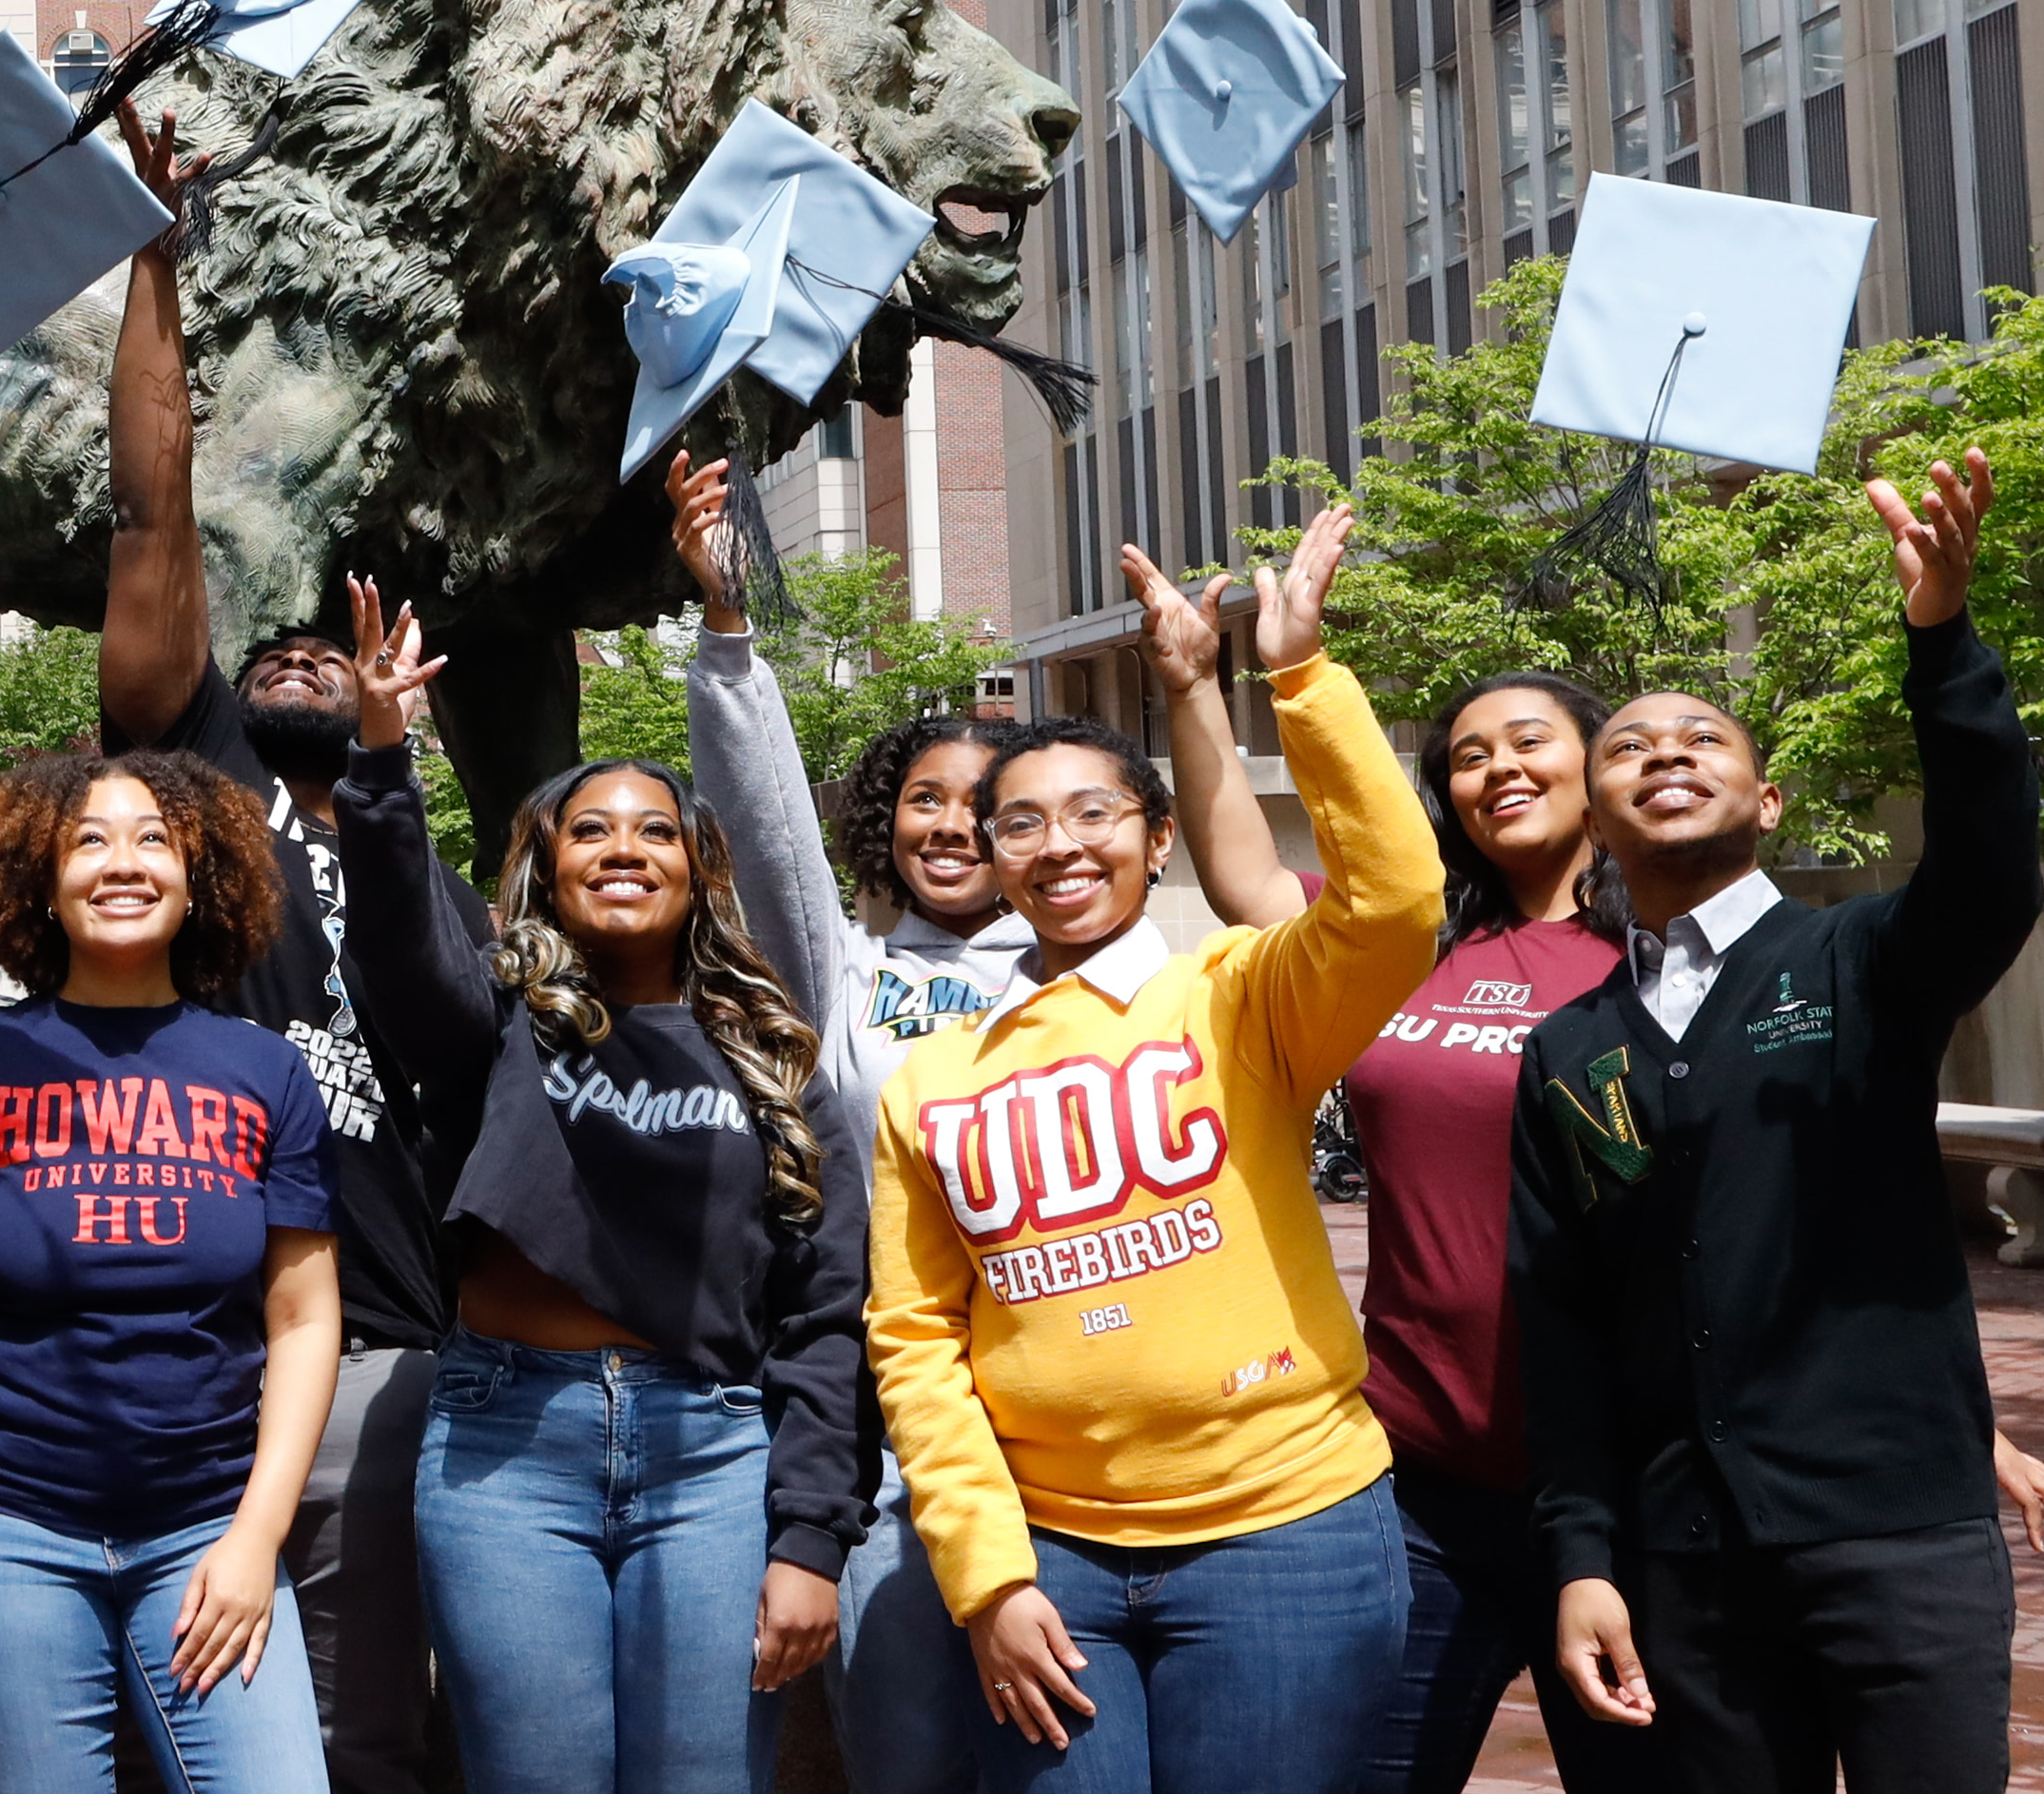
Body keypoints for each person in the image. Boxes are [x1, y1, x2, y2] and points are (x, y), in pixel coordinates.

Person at [669, 463, 1292, 1794]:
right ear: (884, 826)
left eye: (987, 806)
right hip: (895, 1444)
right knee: (904, 1757)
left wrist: (1202, 686)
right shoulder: (837, 969)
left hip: (1074, 1456)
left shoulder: (1105, 974)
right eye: (925, 800)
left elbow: (1254, 902)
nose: (953, 825)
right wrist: (728, 635)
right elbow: (763, 824)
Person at [864, 507, 1441, 1790]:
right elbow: (914, 1342)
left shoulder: (1242, 992)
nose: (1059, 844)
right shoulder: (937, 1079)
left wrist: (1300, 679)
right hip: (1048, 1551)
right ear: (995, 861)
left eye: (1093, 814)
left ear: (1156, 836)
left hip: (1286, 1540)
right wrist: (986, 1574)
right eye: (1020, 824)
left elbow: (1397, 905)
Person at [1514, 451, 2036, 1793]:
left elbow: (1990, 862)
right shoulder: (1569, 1050)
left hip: (1897, 1539)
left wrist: (1943, 639)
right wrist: (1582, 1556)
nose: (1666, 753)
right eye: (1627, 746)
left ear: (1769, 802)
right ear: (1595, 814)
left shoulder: (1862, 962)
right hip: (1681, 1562)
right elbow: (1560, 1321)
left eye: (1704, 740)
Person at [323, 577, 865, 1794]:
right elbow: (403, 945)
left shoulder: (775, 1062)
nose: (624, 848)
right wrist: (379, 757)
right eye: (590, 830)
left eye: (656, 830)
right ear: (546, 866)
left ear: (697, 868)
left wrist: (812, 1538)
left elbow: (829, 1315)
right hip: (506, 1449)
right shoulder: (496, 1021)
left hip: (715, 1455)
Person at [98, 104, 458, 1793]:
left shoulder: (421, 861)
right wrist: (153, 264)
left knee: (374, 1730)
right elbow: (148, 514)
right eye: (286, 645)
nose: (306, 652)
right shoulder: (202, 798)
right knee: (192, 1728)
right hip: (205, 1331)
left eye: (339, 652)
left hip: (391, 1342)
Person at [0, 744, 343, 1794]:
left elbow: (303, 1319)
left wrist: (254, 1538)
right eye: (87, 841)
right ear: (44, 887)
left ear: (200, 880)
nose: (122, 862)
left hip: (205, 1522)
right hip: (2, 1530)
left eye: (155, 840)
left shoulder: (266, 1069)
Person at [1330, 670, 1659, 1794]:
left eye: (1530, 741)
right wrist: (1205, 679)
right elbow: (1243, 881)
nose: (1500, 768)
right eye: (1468, 756)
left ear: (1596, 763)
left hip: (1632, 1488)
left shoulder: (1672, 961)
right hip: (1421, 1476)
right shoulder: (1415, 944)